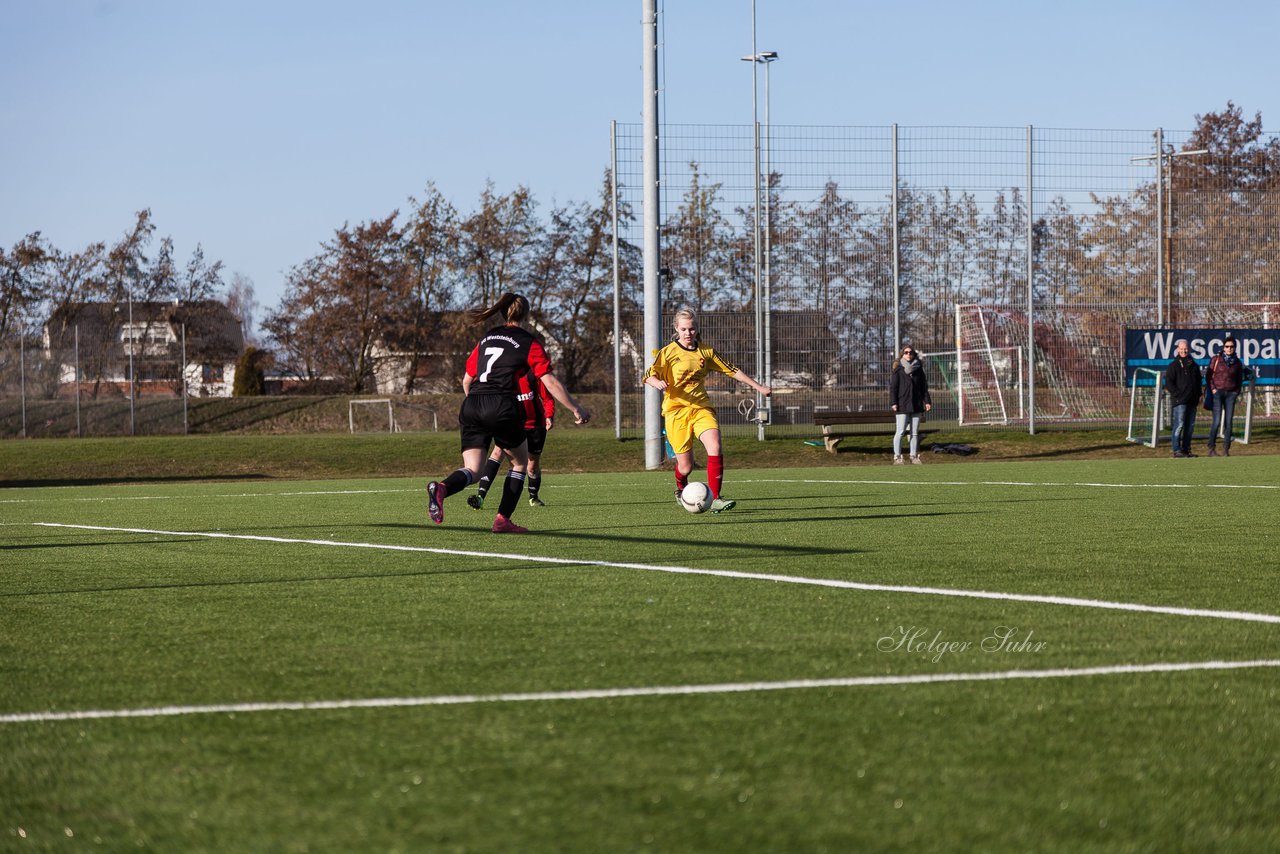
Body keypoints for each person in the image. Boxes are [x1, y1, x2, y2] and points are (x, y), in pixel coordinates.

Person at [426, 293, 590, 533]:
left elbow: (466, 380)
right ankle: (502, 520)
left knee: (473, 469)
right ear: (527, 314)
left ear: (503, 313)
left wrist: (478, 406)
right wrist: (576, 408)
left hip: (472, 403)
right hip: (501, 405)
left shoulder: (487, 338)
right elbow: (550, 382)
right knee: (520, 463)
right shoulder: (528, 341)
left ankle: (442, 488)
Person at [642, 308, 771, 513]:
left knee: (715, 445)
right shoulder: (667, 352)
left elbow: (732, 370)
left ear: (697, 329)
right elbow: (648, 375)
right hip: (676, 412)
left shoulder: (706, 352)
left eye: (691, 329)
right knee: (686, 467)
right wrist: (657, 382)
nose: (688, 333)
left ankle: (716, 498)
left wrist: (759, 387)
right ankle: (680, 488)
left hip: (701, 408)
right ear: (676, 328)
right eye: (683, 329)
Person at [467, 372, 555, 510]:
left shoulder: (532, 374)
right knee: (497, 452)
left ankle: (533, 497)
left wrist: (549, 415)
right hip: (511, 423)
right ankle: (480, 497)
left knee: (532, 466)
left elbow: (547, 398)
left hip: (535, 426)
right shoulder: (504, 374)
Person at [889, 345, 932, 464]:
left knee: (914, 432)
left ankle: (914, 456)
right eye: (906, 352)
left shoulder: (919, 370)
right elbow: (893, 388)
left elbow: (924, 388)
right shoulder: (898, 370)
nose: (909, 354)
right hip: (902, 404)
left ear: (914, 355)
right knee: (901, 431)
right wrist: (894, 403)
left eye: (911, 353)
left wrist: (927, 401)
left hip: (916, 404)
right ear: (902, 354)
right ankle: (897, 456)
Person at [1205, 335, 1244, 457]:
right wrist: (1213, 389)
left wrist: (1236, 391)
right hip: (1218, 393)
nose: (1229, 349)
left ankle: (1226, 449)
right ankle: (1211, 448)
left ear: (1234, 348)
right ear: (1223, 347)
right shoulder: (1216, 359)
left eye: (1231, 347)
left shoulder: (1237, 362)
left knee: (1229, 422)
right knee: (1216, 421)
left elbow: (1239, 379)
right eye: (1227, 346)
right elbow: (1208, 375)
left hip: (1230, 394)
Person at [1164, 338, 1201, 458]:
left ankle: (1186, 449)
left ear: (1188, 349)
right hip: (1180, 401)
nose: (1183, 351)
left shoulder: (1194, 365)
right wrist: (1177, 394)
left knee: (1189, 427)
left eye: (1185, 349)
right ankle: (1177, 450)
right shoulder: (1173, 365)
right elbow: (1169, 382)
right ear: (1177, 350)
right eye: (1181, 349)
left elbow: (1198, 382)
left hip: (1192, 401)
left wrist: (1198, 395)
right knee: (1179, 425)